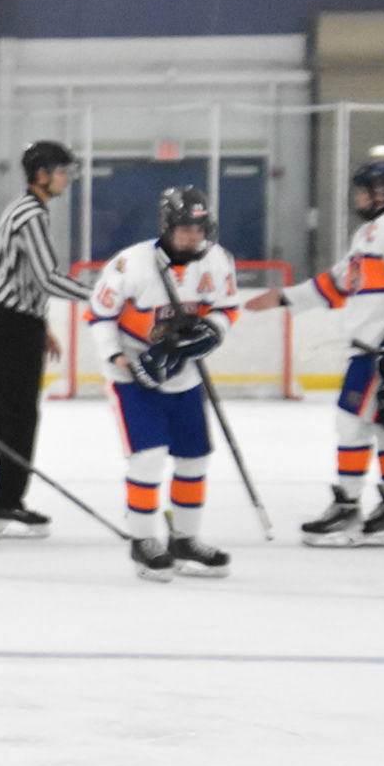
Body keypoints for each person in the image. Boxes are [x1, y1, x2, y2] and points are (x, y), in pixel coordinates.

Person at [245, 159, 384, 546]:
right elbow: (337, 284)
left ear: (380, 193)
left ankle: (347, 509)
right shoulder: (370, 233)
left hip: (383, 347)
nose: (357, 198)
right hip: (383, 346)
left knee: (351, 421)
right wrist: (284, 297)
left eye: (362, 191)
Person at [87, 187, 241, 580]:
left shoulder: (218, 260)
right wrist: (117, 358)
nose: (193, 236)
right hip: (132, 375)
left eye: (199, 228)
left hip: (184, 374)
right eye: (185, 228)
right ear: (167, 226)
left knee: (194, 457)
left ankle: (184, 540)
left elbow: (227, 308)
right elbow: (99, 315)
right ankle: (143, 543)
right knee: (149, 457)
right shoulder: (130, 264)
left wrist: (213, 331)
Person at [0, 140, 90, 537]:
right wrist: (102, 295)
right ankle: (6, 502)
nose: (68, 179)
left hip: (4, 319)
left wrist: (40, 324)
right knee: (17, 416)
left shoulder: (20, 209)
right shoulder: (32, 214)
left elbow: (17, 275)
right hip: (12, 326)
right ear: (42, 174)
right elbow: (47, 278)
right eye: (63, 171)